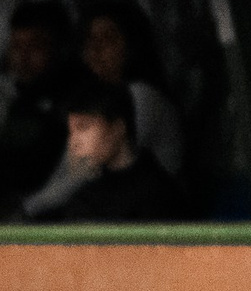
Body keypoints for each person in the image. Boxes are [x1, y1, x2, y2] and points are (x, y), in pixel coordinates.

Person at [27, 79, 187, 223]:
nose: (74, 142)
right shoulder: (89, 187)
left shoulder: (157, 197)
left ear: (118, 129)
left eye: (84, 127)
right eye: (72, 132)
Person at [0, 0, 85, 213]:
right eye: (16, 46)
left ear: (61, 48)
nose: (22, 57)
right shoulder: (20, 102)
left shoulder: (78, 102)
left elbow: (77, 178)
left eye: (36, 46)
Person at [77, 0, 185, 179]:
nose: (95, 48)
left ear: (132, 45)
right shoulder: (101, 101)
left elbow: (94, 169)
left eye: (108, 39)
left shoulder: (142, 95)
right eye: (90, 39)